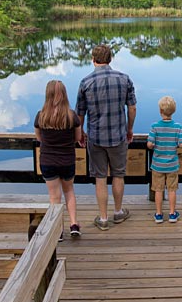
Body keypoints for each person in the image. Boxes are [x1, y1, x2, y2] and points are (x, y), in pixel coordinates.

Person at [76, 44, 137, 231]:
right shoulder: (124, 79)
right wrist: (129, 129)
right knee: (118, 175)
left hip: (95, 137)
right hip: (118, 136)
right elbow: (132, 108)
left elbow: (80, 114)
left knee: (100, 178)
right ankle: (118, 213)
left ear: (93, 60)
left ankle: (103, 218)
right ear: (110, 59)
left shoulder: (85, 82)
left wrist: (80, 133)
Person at [34, 80, 82, 239]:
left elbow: (39, 138)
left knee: (54, 197)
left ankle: (59, 230)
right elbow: (78, 137)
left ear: (47, 95)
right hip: (67, 160)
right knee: (69, 191)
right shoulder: (72, 116)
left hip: (48, 160)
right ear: (65, 94)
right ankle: (74, 224)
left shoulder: (41, 116)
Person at [146, 96, 182, 224]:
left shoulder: (154, 126)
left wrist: (153, 144)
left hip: (157, 165)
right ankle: (172, 214)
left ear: (160, 111)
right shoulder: (178, 127)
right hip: (172, 165)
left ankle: (158, 214)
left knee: (158, 189)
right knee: (172, 190)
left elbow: (150, 144)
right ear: (173, 111)